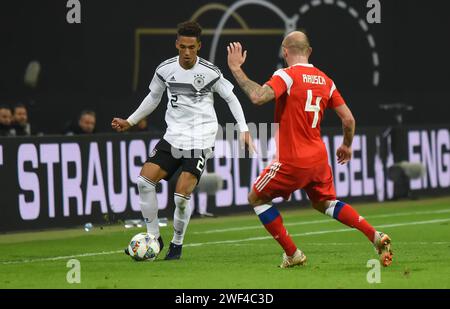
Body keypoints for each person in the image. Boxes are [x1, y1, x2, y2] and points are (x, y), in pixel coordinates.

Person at [227, 31, 393, 268]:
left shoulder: (286, 75)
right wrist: (346, 145)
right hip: (318, 159)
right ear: (310, 51)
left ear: (285, 52)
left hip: (292, 159)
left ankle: (292, 253)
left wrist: (235, 68)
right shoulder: (326, 80)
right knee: (324, 202)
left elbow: (257, 97)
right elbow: (348, 120)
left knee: (256, 196)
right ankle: (375, 236)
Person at [112, 21, 253, 260]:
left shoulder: (210, 72)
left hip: (200, 139)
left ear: (199, 46)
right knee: (144, 182)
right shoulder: (165, 69)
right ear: (177, 44)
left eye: (192, 47)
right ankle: (154, 237)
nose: (187, 52)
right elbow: (153, 97)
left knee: (180, 199)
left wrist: (243, 129)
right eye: (183, 47)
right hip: (173, 136)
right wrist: (131, 121)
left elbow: (231, 98)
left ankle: (177, 244)